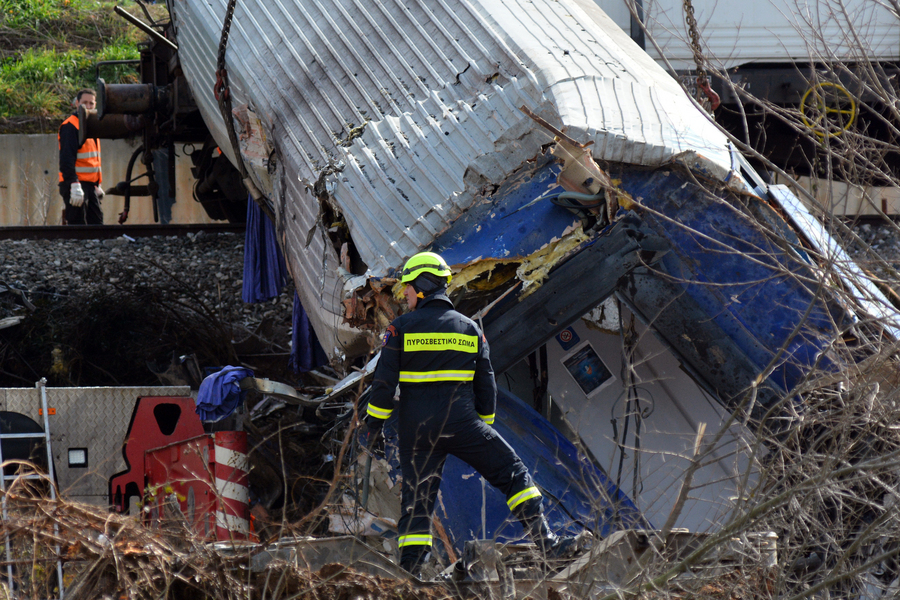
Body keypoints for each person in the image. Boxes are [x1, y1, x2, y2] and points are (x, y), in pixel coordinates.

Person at [365, 251, 582, 575]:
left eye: (407, 286)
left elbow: (383, 387)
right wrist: (482, 431)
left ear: (422, 286)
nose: (404, 293)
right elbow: (486, 388)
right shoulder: (469, 330)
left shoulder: (400, 329)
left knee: (417, 504)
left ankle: (410, 576)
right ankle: (547, 544)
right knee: (514, 475)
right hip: (463, 424)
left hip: (418, 433)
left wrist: (373, 430)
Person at [58, 89, 104, 225]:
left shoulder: (91, 125)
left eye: (91, 103)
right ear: (77, 103)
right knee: (78, 225)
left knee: (97, 223)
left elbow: (93, 159)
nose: (88, 106)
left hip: (89, 185)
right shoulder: (70, 126)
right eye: (85, 103)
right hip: (76, 184)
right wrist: (73, 183)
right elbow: (66, 158)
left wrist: (97, 184)